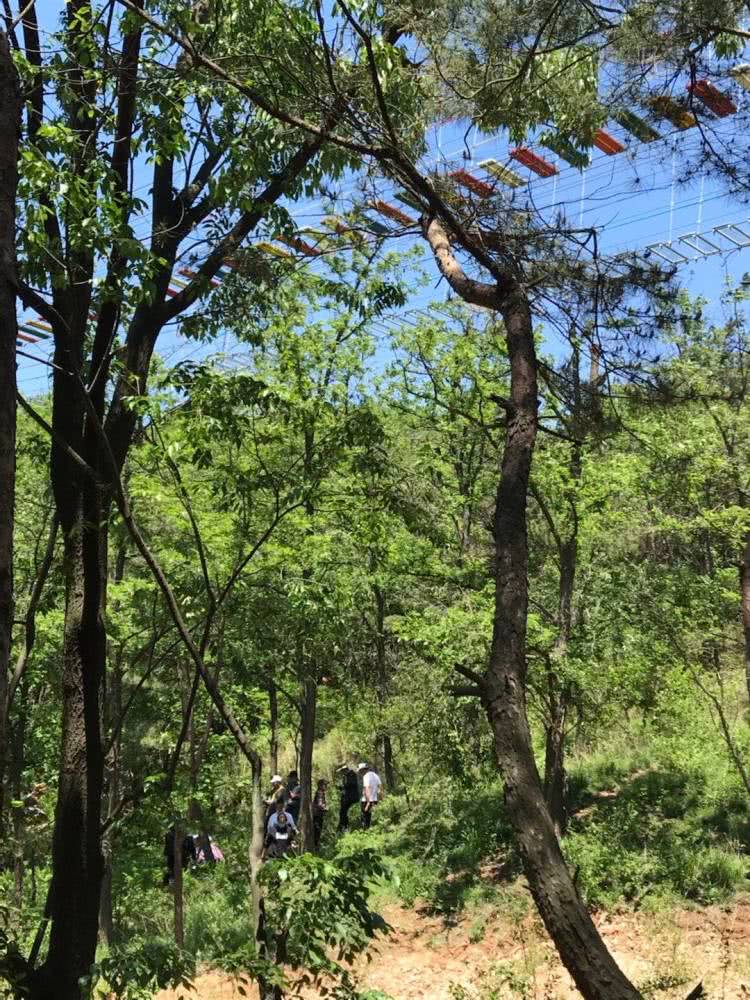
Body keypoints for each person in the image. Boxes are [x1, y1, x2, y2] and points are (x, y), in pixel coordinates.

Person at [358, 763, 382, 830]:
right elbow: (380, 787)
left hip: (366, 800)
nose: (360, 772)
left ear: (363, 770)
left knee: (365, 818)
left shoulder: (366, 776)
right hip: (375, 800)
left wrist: (368, 802)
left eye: (360, 771)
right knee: (372, 817)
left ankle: (365, 833)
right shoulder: (375, 775)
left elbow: (367, 788)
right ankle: (373, 831)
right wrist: (382, 798)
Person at [337, 764, 360, 833]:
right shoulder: (347, 775)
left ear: (345, 770)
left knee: (344, 812)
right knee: (342, 812)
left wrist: (343, 787)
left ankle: (345, 827)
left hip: (351, 798)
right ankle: (343, 827)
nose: (342, 773)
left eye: (342, 771)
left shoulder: (352, 775)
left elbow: (351, 784)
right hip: (347, 797)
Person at [312, 778, 329, 848]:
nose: (326, 786)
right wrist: (325, 808)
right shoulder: (320, 793)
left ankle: (316, 845)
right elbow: (320, 804)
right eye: (324, 785)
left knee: (317, 831)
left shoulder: (320, 792)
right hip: (317, 815)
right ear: (320, 785)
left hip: (317, 814)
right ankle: (316, 846)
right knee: (317, 831)